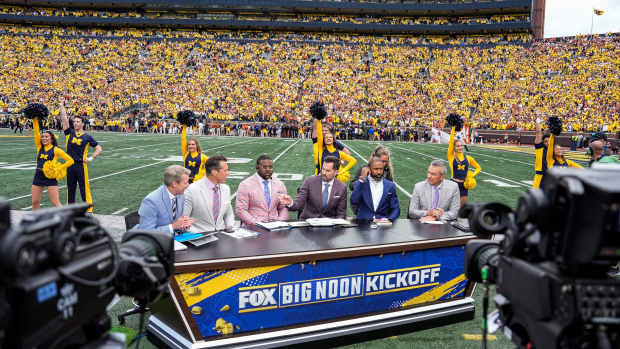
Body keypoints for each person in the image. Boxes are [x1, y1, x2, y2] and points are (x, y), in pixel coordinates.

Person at [59, 98, 103, 213]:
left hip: (80, 165)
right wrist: (61, 105)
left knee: (84, 188)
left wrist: (91, 158)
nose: (75, 123)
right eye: (74, 121)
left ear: (82, 123)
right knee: (71, 189)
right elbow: (64, 120)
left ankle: (88, 210)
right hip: (70, 165)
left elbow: (99, 149)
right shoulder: (70, 133)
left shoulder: (87, 137)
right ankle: (70, 210)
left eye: (78, 121)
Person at [279, 156, 347, 220]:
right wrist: (290, 203)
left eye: (328, 171)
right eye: (323, 169)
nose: (323, 172)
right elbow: (299, 202)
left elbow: (341, 213)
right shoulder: (309, 181)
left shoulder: (341, 187)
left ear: (336, 172)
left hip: (329, 227)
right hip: (307, 224)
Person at [31, 114, 74, 210]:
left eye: (46, 137)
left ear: (51, 139)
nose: (44, 138)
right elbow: (36, 133)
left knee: (55, 202)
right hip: (38, 175)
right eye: (43, 137)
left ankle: (65, 220)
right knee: (35, 201)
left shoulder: (56, 150)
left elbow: (70, 160)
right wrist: (34, 119)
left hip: (50, 176)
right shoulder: (39, 147)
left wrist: (59, 168)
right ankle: (36, 221)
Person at [136, 165, 194, 234]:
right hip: (156, 242)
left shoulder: (180, 195)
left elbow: (177, 223)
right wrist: (173, 226)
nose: (188, 185)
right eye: (185, 183)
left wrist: (183, 224)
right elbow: (145, 232)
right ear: (174, 184)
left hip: (175, 240)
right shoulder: (151, 201)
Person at [183, 155, 234, 233]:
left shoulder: (226, 189)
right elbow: (184, 219)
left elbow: (228, 213)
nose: (228, 173)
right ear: (214, 172)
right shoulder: (191, 190)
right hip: (199, 237)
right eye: (225, 170)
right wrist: (197, 234)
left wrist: (229, 226)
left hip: (222, 235)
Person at [235, 155, 289, 227]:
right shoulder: (245, 185)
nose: (268, 169)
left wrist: (281, 220)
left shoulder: (280, 184)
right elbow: (241, 210)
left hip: (275, 227)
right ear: (257, 168)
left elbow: (283, 207)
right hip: (254, 227)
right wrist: (256, 223)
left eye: (270, 167)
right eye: (264, 167)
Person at [350, 156, 400, 222]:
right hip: (363, 224)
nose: (379, 172)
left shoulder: (390, 185)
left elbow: (395, 208)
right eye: (376, 169)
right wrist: (362, 180)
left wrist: (390, 219)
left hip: (382, 224)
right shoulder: (360, 183)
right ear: (369, 169)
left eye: (381, 169)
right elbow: (354, 201)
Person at [312, 116, 356, 182]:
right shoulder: (320, 144)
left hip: (334, 175)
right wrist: (318, 117)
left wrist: (342, 164)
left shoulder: (336, 146)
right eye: (322, 130)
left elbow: (350, 156)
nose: (324, 132)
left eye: (326, 131)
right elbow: (316, 130)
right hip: (321, 171)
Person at [447, 125, 481, 206]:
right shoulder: (451, 156)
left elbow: (478, 168)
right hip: (453, 184)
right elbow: (451, 142)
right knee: (452, 207)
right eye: (458, 146)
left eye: (461, 145)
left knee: (462, 207)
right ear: (454, 148)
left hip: (464, 185)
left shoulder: (468, 158)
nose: (460, 147)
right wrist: (453, 128)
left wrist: (472, 175)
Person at [532, 117, 554, 189]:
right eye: (546, 141)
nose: (547, 143)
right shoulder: (540, 148)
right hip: (540, 176)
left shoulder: (552, 150)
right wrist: (538, 122)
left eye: (549, 141)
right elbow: (538, 133)